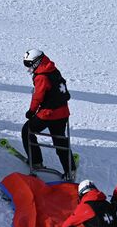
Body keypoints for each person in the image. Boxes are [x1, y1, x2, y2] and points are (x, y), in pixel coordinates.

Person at [20, 49, 76, 180]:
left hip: (49, 114)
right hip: (63, 113)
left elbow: (37, 97)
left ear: (36, 62)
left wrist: (31, 112)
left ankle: (36, 161)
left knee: (27, 130)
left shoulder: (41, 76)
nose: (28, 68)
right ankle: (70, 169)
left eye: (28, 64)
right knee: (60, 139)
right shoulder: (53, 70)